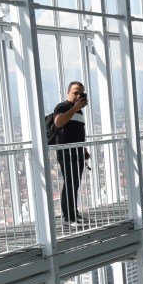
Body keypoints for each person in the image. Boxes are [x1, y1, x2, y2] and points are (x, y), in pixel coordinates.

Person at [53, 81, 88, 224]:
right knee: (70, 183)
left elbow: (78, 132)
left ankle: (74, 212)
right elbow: (58, 122)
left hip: (77, 151)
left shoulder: (78, 110)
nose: (78, 95)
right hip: (66, 153)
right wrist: (74, 108)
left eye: (81, 93)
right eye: (75, 92)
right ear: (68, 92)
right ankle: (68, 217)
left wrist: (83, 149)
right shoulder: (62, 107)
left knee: (75, 183)